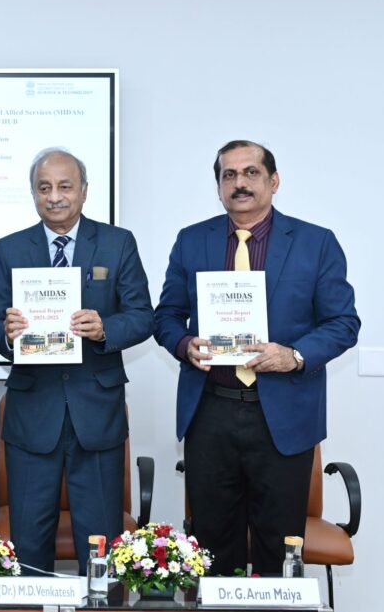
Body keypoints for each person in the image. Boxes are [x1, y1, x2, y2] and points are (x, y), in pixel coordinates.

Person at [154, 140, 360, 575]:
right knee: (211, 545)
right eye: (229, 175)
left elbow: (343, 323)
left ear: (273, 181)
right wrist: (184, 345)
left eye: (251, 172)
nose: (240, 183)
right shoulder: (192, 241)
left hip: (284, 415)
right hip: (211, 411)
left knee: (280, 546)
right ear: (218, 186)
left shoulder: (316, 243)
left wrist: (295, 355)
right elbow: (167, 316)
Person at [0, 148, 153, 575]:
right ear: (33, 194)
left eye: (65, 186)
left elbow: (142, 316)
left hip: (96, 413)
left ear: (84, 191)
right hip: (32, 413)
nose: (54, 196)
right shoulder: (10, 248)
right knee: (28, 544)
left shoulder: (117, 243)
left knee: (100, 546)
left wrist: (105, 329)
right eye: (44, 188)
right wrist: (7, 334)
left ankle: (99, 609)